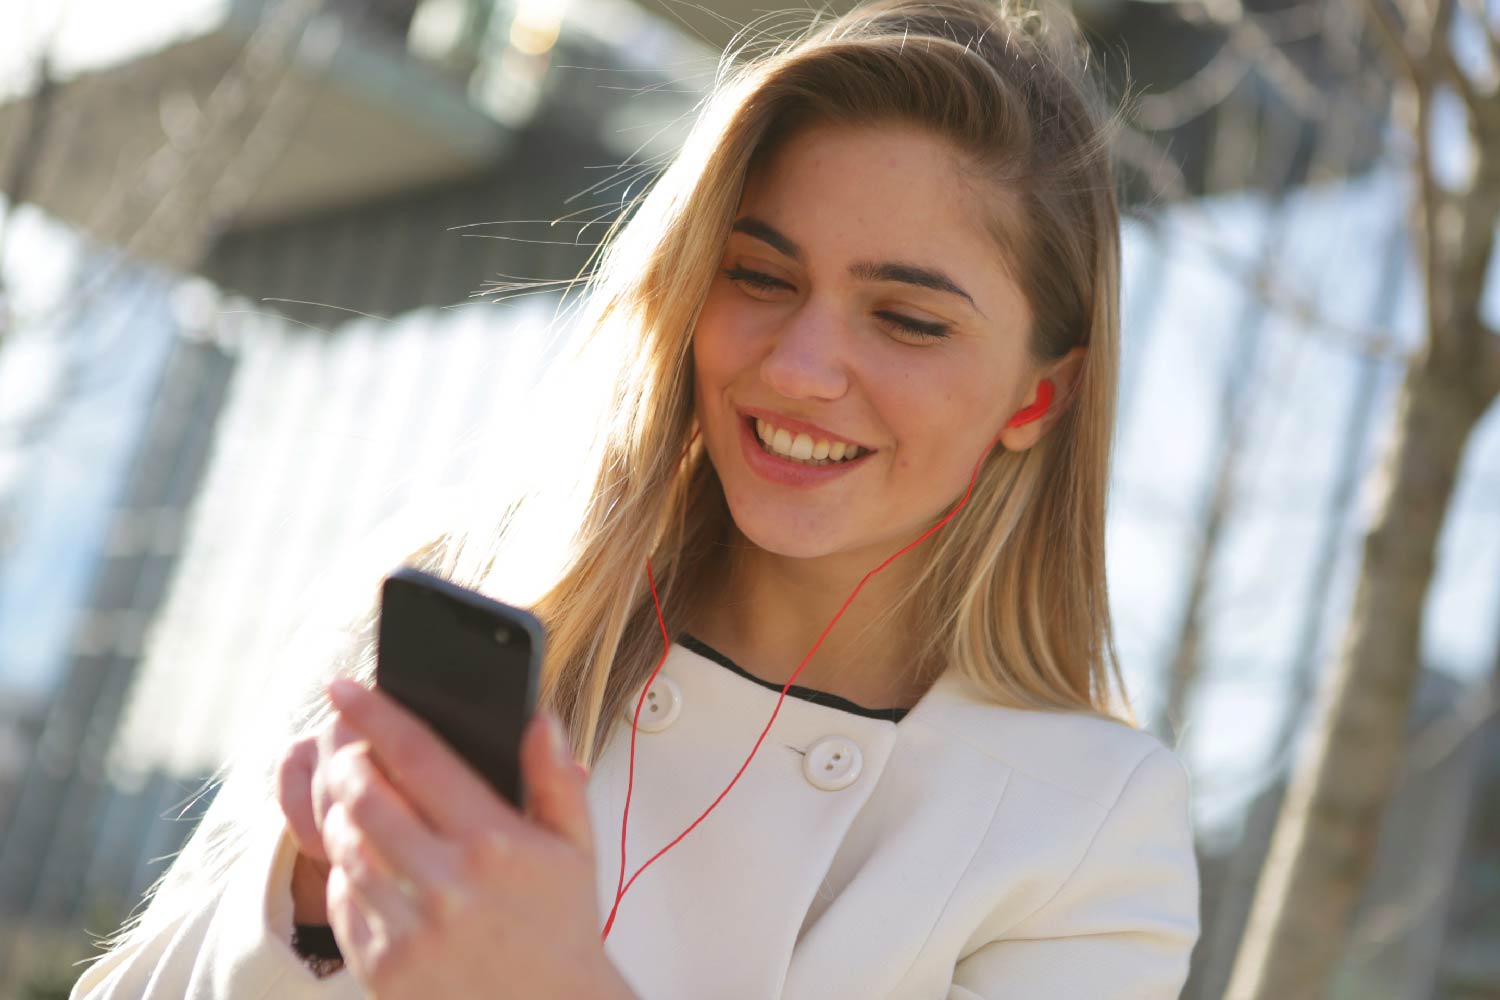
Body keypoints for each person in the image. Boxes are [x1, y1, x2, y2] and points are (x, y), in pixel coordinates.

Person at [70, 0, 1201, 997]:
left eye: (907, 318)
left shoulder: (1091, 827)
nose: (800, 365)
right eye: (759, 275)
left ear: (1040, 397)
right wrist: (312, 909)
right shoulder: (466, 579)